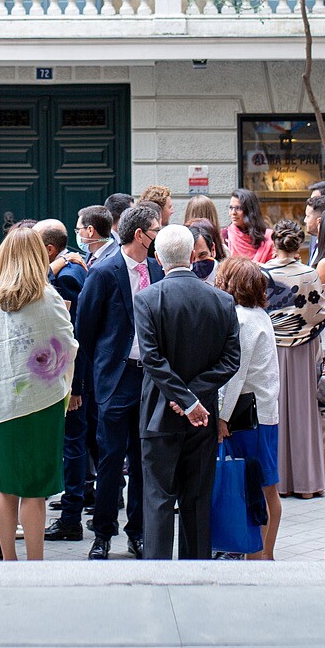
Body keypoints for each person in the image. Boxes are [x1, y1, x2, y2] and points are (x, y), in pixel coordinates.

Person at [132, 224, 240, 560]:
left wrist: (184, 398)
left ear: (158, 258)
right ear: (193, 255)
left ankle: (158, 571)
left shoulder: (148, 298)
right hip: (202, 415)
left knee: (159, 498)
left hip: (160, 413)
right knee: (196, 497)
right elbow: (230, 360)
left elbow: (151, 358)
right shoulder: (221, 300)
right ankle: (196, 569)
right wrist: (193, 397)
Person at [0, 226, 79, 562]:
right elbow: (68, 345)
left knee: (5, 485)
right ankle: (35, 564)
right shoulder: (47, 297)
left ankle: (9, 560)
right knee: (35, 491)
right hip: (41, 402)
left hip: (3, 401)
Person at [72, 202, 163, 559]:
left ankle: (138, 531)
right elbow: (85, 332)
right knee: (111, 460)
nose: (158, 237)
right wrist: (82, 385)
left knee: (144, 459)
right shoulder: (105, 272)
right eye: (155, 231)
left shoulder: (157, 269)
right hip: (115, 378)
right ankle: (103, 532)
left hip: (150, 378)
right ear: (140, 234)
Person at [51, 206, 113, 539]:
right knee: (89, 441)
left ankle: (72, 515)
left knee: (75, 443)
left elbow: (72, 331)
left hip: (80, 371)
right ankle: (86, 506)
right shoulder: (88, 265)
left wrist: (75, 384)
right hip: (89, 370)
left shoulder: (71, 275)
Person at [215, 257, 283, 560]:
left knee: (256, 487)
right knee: (268, 485)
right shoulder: (260, 315)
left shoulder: (241, 320)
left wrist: (221, 416)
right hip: (264, 413)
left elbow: (235, 375)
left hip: (248, 415)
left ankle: (259, 557)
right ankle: (265, 554)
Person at [260, 219, 325, 499]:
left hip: (272, 347)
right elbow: (321, 312)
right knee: (304, 412)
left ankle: (280, 479)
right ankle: (306, 482)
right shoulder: (309, 274)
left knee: (275, 411)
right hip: (303, 347)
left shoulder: (262, 273)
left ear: (274, 244)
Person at [226, 188, 273, 262]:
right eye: (231, 208)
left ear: (250, 210)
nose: (233, 212)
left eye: (238, 208)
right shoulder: (225, 235)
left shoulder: (268, 237)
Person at [187, 218, 221, 284]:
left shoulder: (228, 279)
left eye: (202, 255)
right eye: (192, 258)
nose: (197, 261)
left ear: (213, 250)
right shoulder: (183, 283)